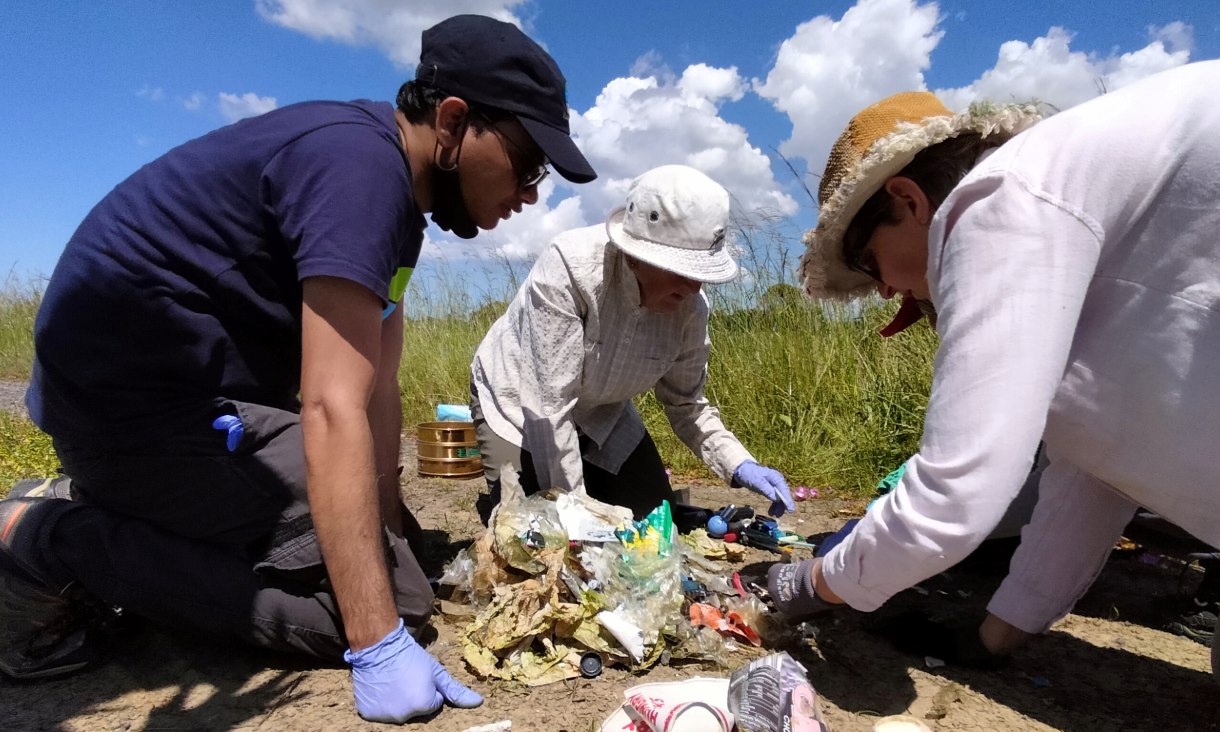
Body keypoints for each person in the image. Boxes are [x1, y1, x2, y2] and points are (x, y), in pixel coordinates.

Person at [0, 14, 596, 724]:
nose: (530, 192)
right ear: (455, 120)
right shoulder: (360, 172)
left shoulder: (399, 207)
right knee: (392, 602)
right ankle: (47, 538)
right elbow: (330, 408)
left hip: (174, 412)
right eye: (528, 163)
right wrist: (376, 640)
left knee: (388, 560)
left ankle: (124, 502)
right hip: (136, 415)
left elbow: (373, 385)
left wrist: (390, 517)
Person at [768, 60, 1220, 681]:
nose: (884, 290)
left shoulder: (997, 197)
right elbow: (1094, 469)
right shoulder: (1075, 214)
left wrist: (814, 582)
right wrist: (993, 637)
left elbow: (955, 496)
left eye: (871, 263)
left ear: (907, 200)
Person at [469, 164, 795, 523]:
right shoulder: (571, 269)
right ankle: (503, 502)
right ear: (636, 256)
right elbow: (550, 406)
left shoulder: (690, 310)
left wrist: (739, 463)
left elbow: (686, 404)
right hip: (520, 406)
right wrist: (575, 515)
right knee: (537, 529)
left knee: (653, 518)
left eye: (700, 275)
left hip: (602, 412)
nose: (693, 288)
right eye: (682, 271)